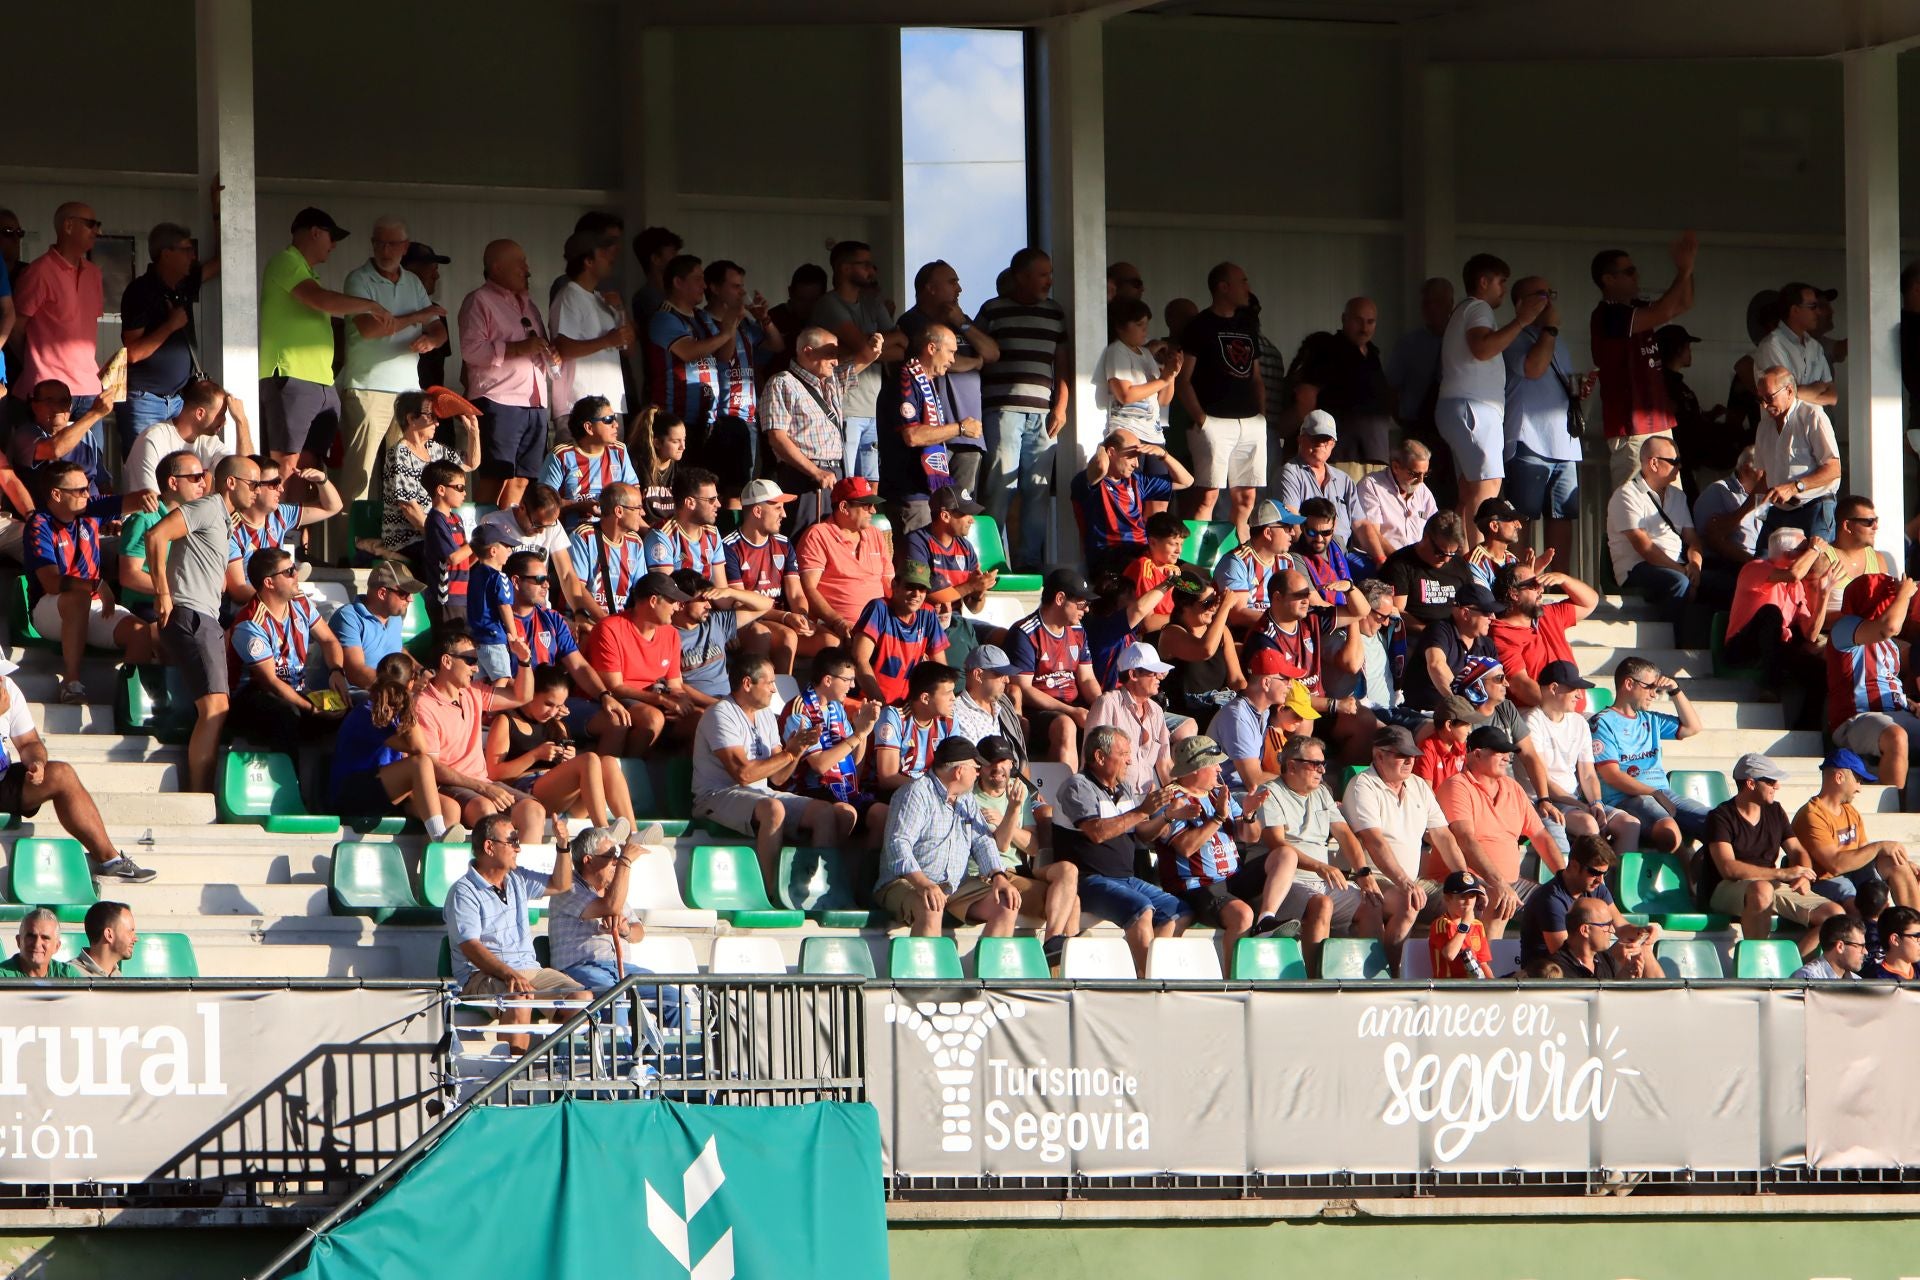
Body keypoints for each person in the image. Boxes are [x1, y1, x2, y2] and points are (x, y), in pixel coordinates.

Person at [333, 216, 446, 562]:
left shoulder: (412, 282)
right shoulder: (358, 278)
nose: (384, 250)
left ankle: (401, 550)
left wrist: (430, 337)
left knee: (407, 474)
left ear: (404, 247)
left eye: (392, 244)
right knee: (360, 475)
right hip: (367, 388)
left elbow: (440, 327)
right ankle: (351, 553)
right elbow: (369, 328)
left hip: (408, 392)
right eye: (378, 242)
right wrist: (418, 316)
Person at [146, 452, 261, 792]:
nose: (256, 491)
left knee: (215, 707)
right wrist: (162, 594)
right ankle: (200, 794)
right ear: (231, 483)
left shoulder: (223, 518)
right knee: (215, 707)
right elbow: (156, 536)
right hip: (191, 614)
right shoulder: (209, 507)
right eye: (252, 484)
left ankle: (201, 792)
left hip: (202, 616)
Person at [692, 652, 850, 885]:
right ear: (747, 684)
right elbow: (743, 775)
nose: (775, 690)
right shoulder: (719, 714)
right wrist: (788, 753)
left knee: (825, 813)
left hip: (760, 794)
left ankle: (816, 890)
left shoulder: (765, 714)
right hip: (716, 795)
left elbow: (778, 777)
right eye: (770, 683)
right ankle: (770, 892)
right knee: (773, 809)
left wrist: (796, 752)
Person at [0, 654, 153, 883]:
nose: (1, 679)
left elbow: (30, 742)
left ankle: (110, 861)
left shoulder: (7, 688)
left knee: (62, 774)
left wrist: (37, 763)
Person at [1053, 726, 1188, 977]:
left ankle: (1147, 970)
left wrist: (1168, 816)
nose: (1129, 760)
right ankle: (1149, 983)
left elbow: (1143, 833)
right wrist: (1141, 810)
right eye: (1124, 753)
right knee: (1141, 908)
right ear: (1100, 757)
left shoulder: (1122, 788)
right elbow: (1097, 832)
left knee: (1178, 910)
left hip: (1126, 879)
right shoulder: (1077, 787)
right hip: (1089, 879)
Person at [445, 814, 586, 1054]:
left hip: (528, 969)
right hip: (480, 975)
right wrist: (509, 973)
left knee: (581, 998)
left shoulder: (517, 878)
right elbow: (470, 946)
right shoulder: (463, 891)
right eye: (512, 841)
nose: (518, 849)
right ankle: (512, 1080)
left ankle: (549, 1064)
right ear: (489, 847)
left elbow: (560, 884)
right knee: (519, 996)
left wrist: (563, 847)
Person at [260, 209, 385, 477]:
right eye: (332, 237)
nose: (334, 245)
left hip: (321, 381)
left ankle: (301, 519)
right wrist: (370, 305)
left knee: (311, 464)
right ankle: (278, 518)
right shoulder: (285, 260)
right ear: (315, 232)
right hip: (291, 374)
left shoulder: (307, 272)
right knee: (286, 462)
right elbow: (322, 300)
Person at [26, 460, 155, 704]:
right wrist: (95, 585)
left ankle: (128, 705)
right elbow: (52, 584)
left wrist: (146, 496)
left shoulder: (90, 507)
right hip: (50, 607)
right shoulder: (39, 524)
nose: (88, 494)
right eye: (80, 490)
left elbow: (131, 500)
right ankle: (71, 684)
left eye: (88, 488)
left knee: (141, 633)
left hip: (93, 604)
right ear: (56, 494)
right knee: (78, 598)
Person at [1437, 253, 1544, 540]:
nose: (1504, 289)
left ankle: (1462, 557)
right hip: (1473, 407)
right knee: (1488, 484)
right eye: (1501, 282)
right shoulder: (1479, 308)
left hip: (1462, 406)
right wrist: (1521, 321)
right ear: (1483, 282)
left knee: (1469, 489)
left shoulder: (1466, 310)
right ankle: (1478, 561)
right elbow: (1482, 348)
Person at [1341, 726, 1467, 969]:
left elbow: (1443, 836)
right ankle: (1389, 975)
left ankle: (1466, 973)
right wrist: (1404, 882)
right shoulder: (1362, 786)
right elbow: (1374, 841)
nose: (1410, 760)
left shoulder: (1419, 785)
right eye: (1402, 755)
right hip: (1373, 879)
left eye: (1413, 755)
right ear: (1379, 755)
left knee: (1470, 899)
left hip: (1411, 880)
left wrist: (1464, 880)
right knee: (1410, 902)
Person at [875, 736, 1025, 938]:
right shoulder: (915, 794)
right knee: (931, 906)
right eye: (975, 768)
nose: (978, 773)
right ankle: (927, 969)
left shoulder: (967, 799)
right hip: (906, 883)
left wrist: (998, 875)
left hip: (955, 884)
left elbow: (982, 840)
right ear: (959, 771)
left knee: (1006, 902)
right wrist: (924, 884)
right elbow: (898, 844)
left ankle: (988, 970)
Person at [1152, 735, 1289, 954]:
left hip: (1232, 879)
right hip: (1197, 886)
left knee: (1285, 855)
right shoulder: (1170, 798)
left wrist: (1249, 814)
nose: (1219, 769)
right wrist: (1217, 818)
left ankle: (1267, 919)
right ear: (1196, 767)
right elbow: (1186, 848)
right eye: (1214, 764)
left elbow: (1250, 837)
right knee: (1242, 915)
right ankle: (1232, 983)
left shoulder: (1217, 792)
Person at [976, 247, 1070, 568]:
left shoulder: (1055, 313)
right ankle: (993, 561)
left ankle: (1030, 561)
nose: (1048, 281)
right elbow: (977, 356)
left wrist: (1061, 405)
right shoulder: (992, 310)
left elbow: (1062, 364)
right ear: (1021, 276)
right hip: (1002, 410)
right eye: (1042, 274)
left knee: (1038, 490)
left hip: (1044, 414)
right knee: (1000, 486)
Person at [414, 622, 549, 840]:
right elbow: (432, 769)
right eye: (470, 661)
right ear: (446, 661)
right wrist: (483, 788)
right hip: (449, 785)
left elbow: (522, 697)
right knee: (486, 811)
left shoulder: (473, 692)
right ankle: (487, 870)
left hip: (481, 784)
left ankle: (520, 874)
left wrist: (525, 661)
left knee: (534, 811)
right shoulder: (423, 705)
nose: (476, 668)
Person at [1701, 752, 1845, 958]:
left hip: (1770, 885)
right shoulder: (1720, 816)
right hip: (1725, 888)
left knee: (1835, 917)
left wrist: (1803, 874)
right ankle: (1757, 965)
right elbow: (1729, 868)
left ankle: (1791, 969)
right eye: (1770, 781)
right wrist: (1782, 874)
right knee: (1762, 889)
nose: (1777, 786)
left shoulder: (1775, 810)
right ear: (1751, 784)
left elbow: (1797, 850)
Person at [1252, 735, 1375, 974]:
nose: (1321, 769)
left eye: (1323, 764)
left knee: (1372, 903)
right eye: (1314, 764)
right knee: (1322, 903)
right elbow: (1276, 843)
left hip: (1322, 880)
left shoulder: (1322, 793)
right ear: (1291, 765)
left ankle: (1376, 978)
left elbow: (1345, 834)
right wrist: (1320, 866)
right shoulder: (1271, 792)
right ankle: (1316, 979)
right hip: (1287, 882)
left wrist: (1363, 873)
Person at [546, 822, 682, 1027]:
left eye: (618, 856)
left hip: (621, 970)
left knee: (674, 998)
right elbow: (610, 906)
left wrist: (625, 930)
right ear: (588, 861)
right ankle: (621, 1058)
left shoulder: (613, 891)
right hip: (578, 969)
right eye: (611, 857)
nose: (616, 862)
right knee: (615, 998)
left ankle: (680, 1058)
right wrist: (627, 861)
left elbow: (638, 933)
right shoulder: (568, 888)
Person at [1590, 233, 1699, 485]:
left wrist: (1688, 269)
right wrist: (1683, 272)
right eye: (1628, 272)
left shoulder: (1634, 306)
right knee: (1635, 507)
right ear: (1608, 279)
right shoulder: (1608, 314)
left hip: (1658, 422)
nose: (1636, 276)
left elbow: (1683, 303)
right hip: (1632, 428)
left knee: (1671, 502)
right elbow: (1665, 311)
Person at [1435, 725, 1558, 939]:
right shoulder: (1457, 786)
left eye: (1508, 753)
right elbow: (1465, 839)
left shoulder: (1513, 787)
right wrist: (1498, 882)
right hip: (1466, 884)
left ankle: (1548, 970)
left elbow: (1541, 837)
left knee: (1563, 905)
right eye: (1499, 752)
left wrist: (1565, 879)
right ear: (1477, 754)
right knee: (1499, 900)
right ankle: (1488, 969)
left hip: (1511, 883)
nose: (1507, 758)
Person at [761, 327, 886, 536]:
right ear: (807, 351)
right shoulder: (782, 383)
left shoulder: (831, 382)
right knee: (804, 537)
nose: (835, 361)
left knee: (833, 540)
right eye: (830, 355)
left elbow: (864, 359)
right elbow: (776, 437)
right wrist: (815, 471)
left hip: (835, 474)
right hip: (804, 476)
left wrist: (873, 349)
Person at [458, 240, 555, 511]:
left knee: (524, 477)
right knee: (495, 474)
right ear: (497, 267)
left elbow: (539, 346)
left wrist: (550, 355)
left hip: (534, 401)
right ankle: (483, 540)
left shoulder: (529, 305)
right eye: (520, 263)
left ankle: (508, 539)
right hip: (499, 400)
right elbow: (472, 351)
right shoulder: (479, 301)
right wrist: (518, 348)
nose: (527, 269)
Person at [484, 663, 635, 829]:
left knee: (608, 763)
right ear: (532, 694)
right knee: (590, 759)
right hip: (526, 795)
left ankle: (632, 833)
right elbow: (493, 773)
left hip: (562, 801)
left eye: (558, 706)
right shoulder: (507, 721)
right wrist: (535, 755)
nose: (553, 712)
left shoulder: (557, 725)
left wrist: (568, 759)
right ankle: (603, 829)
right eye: (548, 704)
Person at [896, 260, 1002, 496]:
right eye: (952, 282)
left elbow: (992, 353)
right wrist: (975, 363)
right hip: (935, 435)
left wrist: (962, 323)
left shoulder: (961, 321)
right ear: (931, 288)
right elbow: (928, 361)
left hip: (969, 434)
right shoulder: (913, 321)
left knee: (963, 511)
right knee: (936, 507)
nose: (959, 289)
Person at [1175, 262, 1264, 538]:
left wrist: (1261, 414)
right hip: (1213, 420)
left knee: (1247, 497)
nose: (1248, 288)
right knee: (1207, 496)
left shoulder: (1247, 323)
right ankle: (1198, 568)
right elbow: (1183, 378)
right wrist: (1201, 419)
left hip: (1250, 421)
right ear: (1223, 287)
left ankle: (1239, 561)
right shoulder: (1199, 326)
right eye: (1242, 281)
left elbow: (1256, 375)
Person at [329, 652, 461, 834]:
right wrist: (409, 703)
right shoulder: (368, 712)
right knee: (420, 764)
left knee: (450, 809)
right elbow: (420, 750)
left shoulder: (394, 712)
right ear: (411, 683)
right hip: (352, 794)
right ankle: (438, 835)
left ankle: (437, 856)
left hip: (386, 790)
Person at [227, 546, 349, 742]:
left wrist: (337, 671)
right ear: (269, 583)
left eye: (294, 569)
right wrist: (312, 709)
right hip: (252, 698)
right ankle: (290, 773)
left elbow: (329, 640)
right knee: (287, 716)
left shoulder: (301, 603)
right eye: (289, 572)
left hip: (294, 690)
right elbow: (271, 683)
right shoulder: (250, 624)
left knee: (351, 711)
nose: (296, 575)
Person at [118, 219, 218, 458]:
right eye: (186, 250)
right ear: (166, 253)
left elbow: (221, 260)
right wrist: (170, 325)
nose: (192, 256)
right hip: (144, 399)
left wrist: (217, 212)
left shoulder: (183, 284)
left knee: (178, 472)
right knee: (144, 473)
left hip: (178, 400)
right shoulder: (140, 291)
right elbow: (133, 353)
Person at [1521, 661, 1642, 857]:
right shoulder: (1532, 721)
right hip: (1542, 801)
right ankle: (1590, 883)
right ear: (1553, 688)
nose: (1579, 695)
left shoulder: (1579, 723)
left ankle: (1613, 884)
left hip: (1573, 800)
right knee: (1588, 824)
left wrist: (1596, 803)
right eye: (1574, 690)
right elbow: (1542, 779)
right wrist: (1582, 807)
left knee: (1630, 824)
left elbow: (1587, 774)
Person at [12, 204, 107, 450]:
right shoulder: (39, 271)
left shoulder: (94, 274)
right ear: (68, 226)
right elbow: (15, 326)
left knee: (91, 474)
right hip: (48, 390)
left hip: (89, 388)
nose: (96, 231)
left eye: (98, 225)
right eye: (90, 224)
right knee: (48, 472)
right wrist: (35, 361)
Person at [812, 241, 904, 485]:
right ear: (844, 268)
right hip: (845, 407)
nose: (871, 271)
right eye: (864, 265)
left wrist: (868, 346)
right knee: (846, 484)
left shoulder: (872, 303)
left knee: (872, 483)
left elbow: (902, 345)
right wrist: (869, 346)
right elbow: (863, 347)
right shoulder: (829, 304)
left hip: (873, 406)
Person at [1591, 656, 1705, 851]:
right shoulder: (1603, 722)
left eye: (1657, 689)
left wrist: (1675, 691)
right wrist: (1652, 792)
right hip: (1626, 798)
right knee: (1669, 832)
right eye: (1650, 687)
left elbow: (1693, 727)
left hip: (1662, 793)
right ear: (1628, 683)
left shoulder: (1650, 719)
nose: (1654, 694)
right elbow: (1612, 774)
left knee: (1716, 822)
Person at [877, 322, 981, 533]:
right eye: (950, 352)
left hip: (927, 493)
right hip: (908, 493)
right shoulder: (905, 380)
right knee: (917, 564)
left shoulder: (927, 383)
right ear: (932, 348)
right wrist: (960, 428)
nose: (953, 359)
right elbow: (912, 435)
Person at [1606, 437, 1707, 645]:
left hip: (1677, 565)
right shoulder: (1626, 494)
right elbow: (1644, 547)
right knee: (1679, 582)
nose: (1679, 466)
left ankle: (1712, 650)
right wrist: (1682, 572)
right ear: (1653, 463)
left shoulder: (1678, 496)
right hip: (1637, 567)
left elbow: (1693, 539)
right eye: (1674, 461)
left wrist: (1695, 566)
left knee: (1725, 582)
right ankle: (1669, 646)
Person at [1794, 749, 1920, 909]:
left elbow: (1863, 852)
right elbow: (1834, 865)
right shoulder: (1812, 815)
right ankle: (1873, 929)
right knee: (1857, 899)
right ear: (1839, 777)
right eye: (1858, 780)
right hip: (1824, 881)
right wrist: (1880, 846)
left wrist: (1905, 865)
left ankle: (1914, 927)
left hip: (1853, 874)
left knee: (1896, 862)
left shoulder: (1850, 811)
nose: (1860, 788)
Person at [1826, 574, 1920, 787]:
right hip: (1856, 718)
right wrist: (1904, 594)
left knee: (1897, 731)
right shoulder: (1845, 627)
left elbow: (1891, 683)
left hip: (1896, 713)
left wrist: (1912, 704)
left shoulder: (1891, 645)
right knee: (1896, 736)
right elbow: (1889, 627)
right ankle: (1893, 812)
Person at [782, 647, 887, 834]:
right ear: (828, 680)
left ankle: (860, 864)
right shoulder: (800, 710)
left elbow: (854, 766)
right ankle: (831, 862)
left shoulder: (836, 709)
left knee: (883, 814)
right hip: (808, 789)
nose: (853, 686)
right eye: (847, 680)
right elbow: (820, 765)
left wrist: (863, 732)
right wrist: (857, 735)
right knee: (847, 814)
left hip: (839, 788)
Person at [1723, 527, 1831, 705]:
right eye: (1805, 550)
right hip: (1743, 647)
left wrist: (1824, 596)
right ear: (1789, 554)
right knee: (1771, 612)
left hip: (1776, 648)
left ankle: (1806, 727)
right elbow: (1794, 574)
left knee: (1819, 672)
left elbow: (1810, 634)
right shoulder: (1755, 568)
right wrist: (1815, 549)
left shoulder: (1797, 587)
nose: (1811, 555)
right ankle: (1770, 688)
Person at [1007, 569, 1102, 768]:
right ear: (1060, 599)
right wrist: (1071, 711)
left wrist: (1101, 705)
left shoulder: (1077, 630)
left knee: (1111, 722)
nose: (1086, 610)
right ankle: (1066, 793)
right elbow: (1023, 689)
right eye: (1082, 603)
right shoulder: (1025, 633)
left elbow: (1086, 678)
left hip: (1073, 706)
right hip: (1038, 711)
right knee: (1065, 725)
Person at [1292, 296, 1394, 477]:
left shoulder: (1373, 354)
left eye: (1370, 322)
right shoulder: (1328, 350)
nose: (1364, 328)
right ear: (1344, 319)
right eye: (1358, 320)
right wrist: (1313, 445)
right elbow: (1305, 396)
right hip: (1342, 456)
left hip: (1377, 456)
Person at [1517, 834, 1657, 967]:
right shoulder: (1550, 900)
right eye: (1595, 873)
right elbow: (1565, 957)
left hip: (1578, 967)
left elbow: (1620, 926)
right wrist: (1612, 957)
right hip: (1549, 976)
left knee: (1641, 949)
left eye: (1604, 873)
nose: (1600, 880)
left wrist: (1642, 932)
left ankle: (1666, 992)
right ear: (1574, 866)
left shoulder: (1597, 888)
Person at [1074, 427, 1192, 582]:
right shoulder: (1089, 482)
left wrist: (1163, 455)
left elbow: (1186, 481)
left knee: (1193, 573)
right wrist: (1102, 447)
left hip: (1142, 550)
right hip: (1110, 556)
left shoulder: (1137, 480)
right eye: (1131, 456)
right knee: (1148, 568)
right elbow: (1102, 466)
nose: (1136, 464)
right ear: (1111, 452)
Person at [722, 478, 814, 673]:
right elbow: (740, 602)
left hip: (780, 618)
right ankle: (781, 699)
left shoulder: (783, 543)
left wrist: (802, 616)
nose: (785, 514)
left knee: (830, 641)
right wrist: (786, 617)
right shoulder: (729, 547)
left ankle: (815, 701)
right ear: (757, 511)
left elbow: (796, 594)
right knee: (784, 636)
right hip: (749, 619)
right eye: (778, 508)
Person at [549, 229, 632, 437]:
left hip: (611, 402)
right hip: (579, 404)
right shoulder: (569, 295)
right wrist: (607, 340)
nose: (611, 258)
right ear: (588, 261)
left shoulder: (601, 299)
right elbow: (563, 347)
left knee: (610, 468)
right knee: (579, 468)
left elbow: (627, 346)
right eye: (604, 253)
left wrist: (621, 310)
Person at [379, 391, 479, 563]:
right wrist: (439, 537)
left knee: (478, 556)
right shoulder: (400, 453)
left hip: (434, 533)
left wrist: (473, 432)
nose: (437, 423)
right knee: (453, 559)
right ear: (411, 418)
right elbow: (409, 508)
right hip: (407, 539)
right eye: (431, 416)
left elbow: (471, 463)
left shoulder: (434, 449)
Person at [1093, 298, 1182, 484]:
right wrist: (1164, 379)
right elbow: (1125, 395)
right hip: (1128, 435)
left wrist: (1170, 374)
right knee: (1132, 491)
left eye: (1146, 325)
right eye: (1139, 324)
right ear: (1120, 326)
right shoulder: (1117, 351)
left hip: (1154, 434)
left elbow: (1163, 400)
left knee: (1158, 496)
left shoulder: (1146, 354)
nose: (1145, 330)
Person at [1489, 560, 1599, 708]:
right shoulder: (1501, 632)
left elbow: (1590, 602)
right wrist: (1557, 708)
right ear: (1514, 594)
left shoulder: (1548, 614)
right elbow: (1520, 684)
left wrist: (1564, 579)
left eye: (1540, 584)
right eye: (1534, 585)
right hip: (1538, 713)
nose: (1541, 589)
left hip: (1574, 712)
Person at [1751, 366, 1841, 543]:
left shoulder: (1812, 416)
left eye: (1769, 398)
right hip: (1779, 510)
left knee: (1815, 566)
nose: (1764, 405)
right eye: (1759, 399)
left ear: (1789, 391)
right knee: (1761, 567)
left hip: (1814, 505)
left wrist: (1794, 487)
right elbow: (1764, 479)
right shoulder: (1764, 427)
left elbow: (1834, 469)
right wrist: (1740, 515)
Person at [123, 378, 250, 500]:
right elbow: (150, 506)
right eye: (221, 415)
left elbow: (246, 479)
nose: (224, 422)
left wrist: (241, 422)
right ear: (200, 413)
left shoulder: (210, 442)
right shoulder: (153, 439)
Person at [1277, 411, 1373, 560]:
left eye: (1326, 440)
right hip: (1307, 554)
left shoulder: (1344, 480)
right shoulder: (1290, 472)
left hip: (1344, 555)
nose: (1321, 444)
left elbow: (1361, 525)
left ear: (1333, 444)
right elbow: (1292, 520)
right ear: (1301, 439)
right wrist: (1322, 559)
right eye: (1316, 438)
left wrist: (1381, 559)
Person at [1085, 641, 1180, 790]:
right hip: (1114, 797)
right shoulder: (1108, 703)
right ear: (1133, 674)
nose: (1159, 677)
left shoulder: (1156, 711)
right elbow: (1092, 758)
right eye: (1153, 672)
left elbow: (1165, 762)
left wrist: (1178, 796)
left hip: (1148, 799)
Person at [852, 562, 948, 705]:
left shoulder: (927, 614)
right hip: (867, 703)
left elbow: (940, 669)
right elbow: (860, 661)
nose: (916, 594)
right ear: (895, 585)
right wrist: (882, 706)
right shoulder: (879, 609)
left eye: (922, 589)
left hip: (905, 708)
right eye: (910, 587)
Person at [1384, 277, 1455, 466]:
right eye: (1426, 303)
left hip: (1452, 429)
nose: (1432, 308)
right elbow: (1391, 386)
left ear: (1451, 304)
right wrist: (1401, 419)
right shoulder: (1409, 343)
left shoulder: (1462, 342)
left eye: (1438, 302)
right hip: (1416, 426)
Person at [1160, 579, 1246, 731]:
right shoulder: (1171, 633)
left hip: (1216, 710)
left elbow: (1237, 679)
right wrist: (1225, 607)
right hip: (1185, 717)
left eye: (1215, 601)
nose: (1213, 607)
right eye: (1208, 602)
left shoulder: (1222, 632)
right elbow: (1205, 650)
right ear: (1185, 606)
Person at [540, 394, 638, 529]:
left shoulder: (619, 451)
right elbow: (542, 503)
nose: (616, 424)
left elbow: (634, 490)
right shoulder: (561, 456)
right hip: (572, 534)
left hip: (612, 533)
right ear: (589, 427)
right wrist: (577, 506)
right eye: (608, 419)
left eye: (614, 418)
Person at [1403, 582, 1499, 715]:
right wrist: (1463, 708)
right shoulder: (1439, 630)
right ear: (1465, 613)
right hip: (1428, 713)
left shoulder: (1488, 645)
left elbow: (1496, 684)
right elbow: (1436, 665)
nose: (1493, 617)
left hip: (1471, 716)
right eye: (1487, 612)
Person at [331, 559, 425, 693]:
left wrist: (420, 670)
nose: (411, 599)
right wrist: (401, 687)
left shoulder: (395, 617)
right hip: (356, 697)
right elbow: (356, 672)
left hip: (386, 693)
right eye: (404, 593)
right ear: (382, 593)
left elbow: (396, 648)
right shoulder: (348, 617)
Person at [567, 480, 649, 627]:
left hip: (621, 624)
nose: (643, 513)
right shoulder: (584, 536)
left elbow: (642, 590)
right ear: (619, 511)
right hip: (587, 623)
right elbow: (576, 586)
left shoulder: (635, 542)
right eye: (638, 508)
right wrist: (606, 622)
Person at [903, 484, 997, 609]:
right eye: (966, 514)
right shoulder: (917, 542)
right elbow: (928, 595)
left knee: (1002, 630)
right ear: (945, 516)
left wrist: (978, 592)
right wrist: (971, 586)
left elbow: (974, 609)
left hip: (956, 621)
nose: (972, 520)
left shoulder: (966, 547)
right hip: (925, 622)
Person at [1754, 282, 1839, 408]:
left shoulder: (1815, 347)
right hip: (1786, 427)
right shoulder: (1772, 345)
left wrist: (1796, 390)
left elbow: (1832, 397)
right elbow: (1781, 396)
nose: (1818, 312)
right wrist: (1818, 388)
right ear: (1795, 310)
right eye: (1813, 306)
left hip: (1813, 427)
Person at [1381, 510, 1471, 626]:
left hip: (1454, 635)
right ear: (1426, 537)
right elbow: (1396, 613)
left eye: (1452, 554)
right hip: (1417, 637)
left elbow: (1472, 603)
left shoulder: (1460, 565)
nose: (1446, 560)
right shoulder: (1400, 564)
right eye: (1440, 553)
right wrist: (1429, 632)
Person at [1354, 439, 1437, 562]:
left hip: (1416, 563)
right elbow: (1372, 533)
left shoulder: (1423, 491)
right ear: (1396, 467)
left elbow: (1435, 527)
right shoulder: (1372, 485)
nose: (1421, 480)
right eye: (1414, 474)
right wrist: (1401, 561)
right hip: (1379, 559)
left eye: (1425, 474)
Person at [1693, 446, 1768, 580]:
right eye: (1765, 470)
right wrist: (1752, 562)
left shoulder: (1764, 496)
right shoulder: (1717, 492)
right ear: (1746, 469)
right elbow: (1711, 540)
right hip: (1728, 567)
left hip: (1760, 562)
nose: (1769, 476)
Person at [642, 466, 724, 586]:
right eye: (711, 500)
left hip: (706, 602)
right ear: (690, 503)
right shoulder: (662, 536)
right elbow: (667, 595)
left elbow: (722, 595)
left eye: (717, 498)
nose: (718, 504)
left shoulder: (713, 534)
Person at [1554, 896, 1657, 981]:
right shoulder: (1557, 969)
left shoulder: (1607, 960)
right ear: (1585, 930)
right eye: (1607, 925)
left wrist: (1625, 980)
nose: (1612, 930)